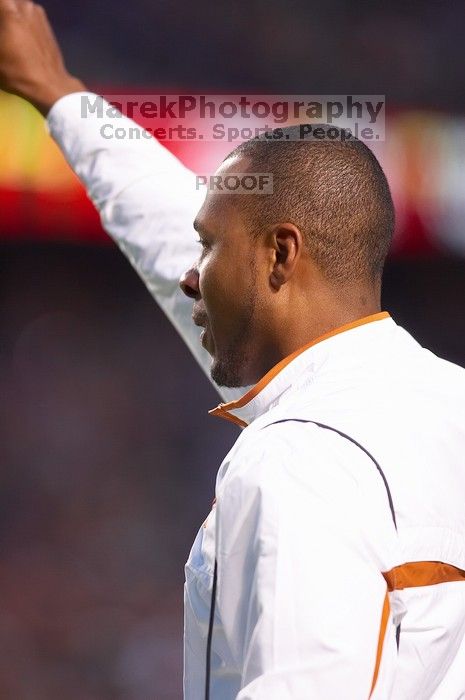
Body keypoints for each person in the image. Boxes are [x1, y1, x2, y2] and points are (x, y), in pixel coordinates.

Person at [1, 2, 465, 698]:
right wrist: (57, 93)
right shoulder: (440, 400)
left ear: (280, 255)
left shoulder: (298, 456)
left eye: (209, 247)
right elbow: (164, 233)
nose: (190, 271)